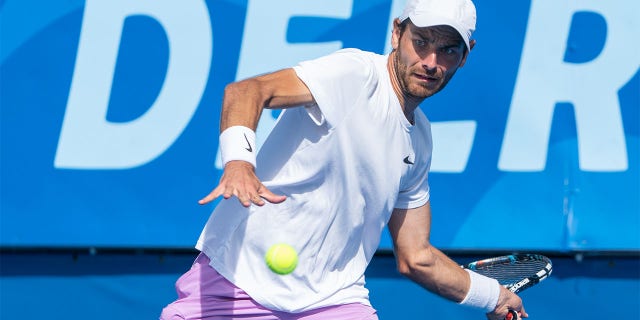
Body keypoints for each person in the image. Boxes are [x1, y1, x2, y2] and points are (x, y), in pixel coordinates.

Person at [161, 0, 527, 319]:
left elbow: (416, 256)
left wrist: (494, 295)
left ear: (465, 56)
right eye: (421, 42)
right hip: (237, 277)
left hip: (332, 300)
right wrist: (239, 162)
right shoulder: (354, 74)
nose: (431, 62)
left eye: (448, 50)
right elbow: (248, 90)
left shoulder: (420, 141)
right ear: (397, 34)